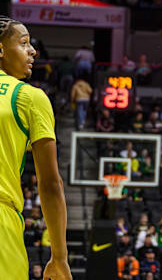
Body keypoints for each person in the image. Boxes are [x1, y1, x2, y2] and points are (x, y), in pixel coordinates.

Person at [0, 16, 71, 279]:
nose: (33, 50)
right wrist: (59, 257)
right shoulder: (29, 96)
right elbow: (50, 184)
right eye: (24, 43)